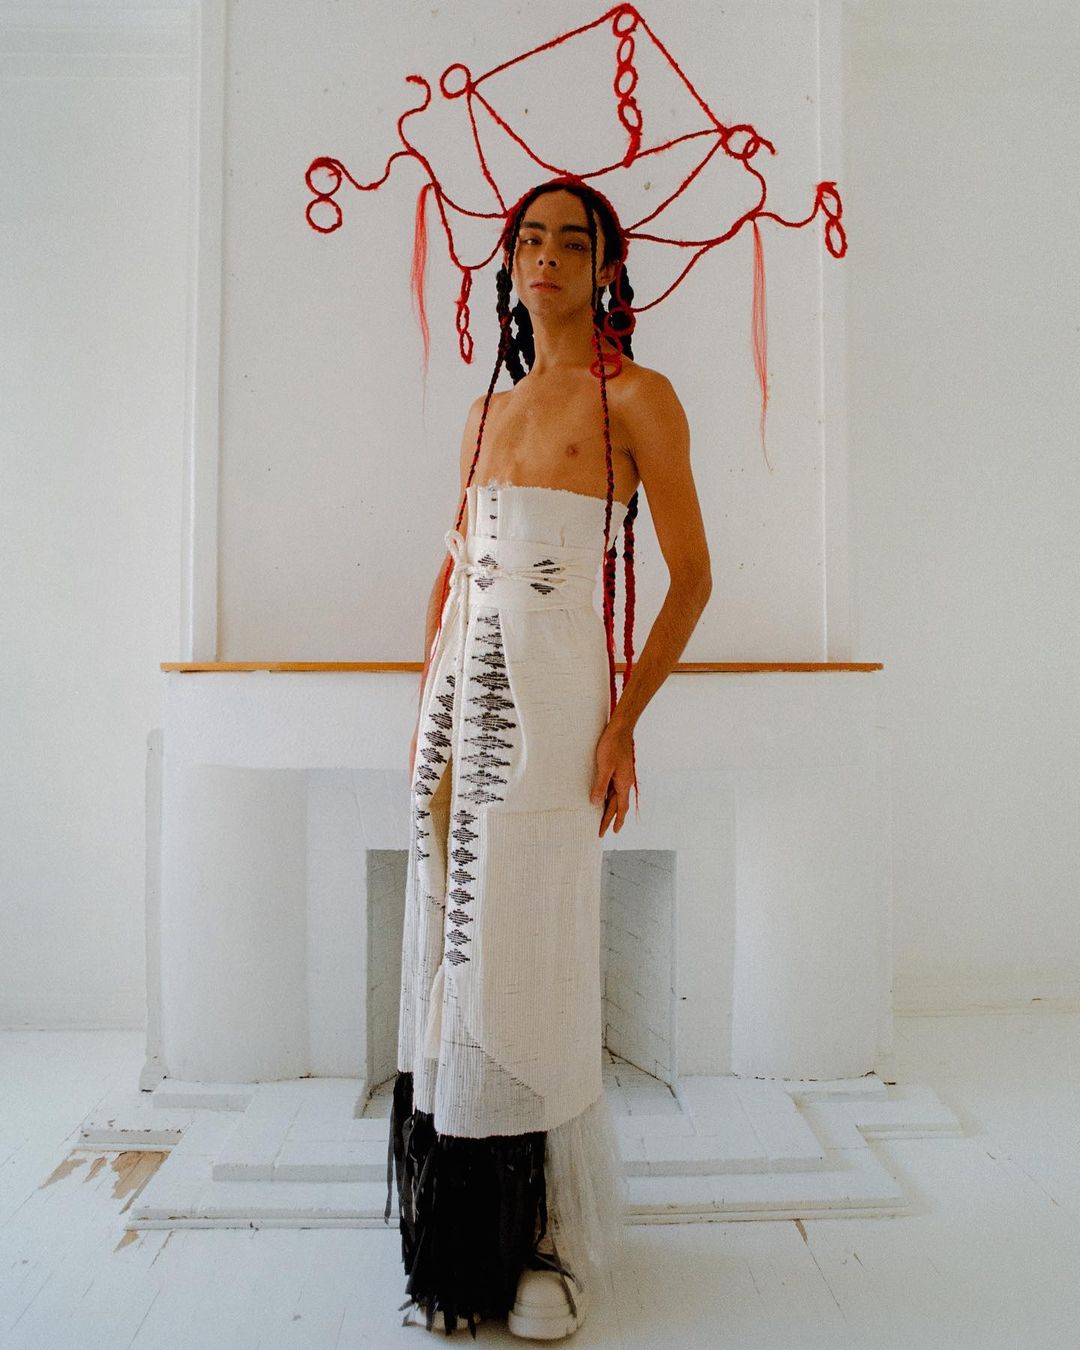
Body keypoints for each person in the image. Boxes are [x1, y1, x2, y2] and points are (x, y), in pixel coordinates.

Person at [388, 177, 712, 1340]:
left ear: (607, 267)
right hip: (455, 704)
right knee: (455, 943)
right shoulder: (487, 411)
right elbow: (453, 566)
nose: (548, 256)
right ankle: (460, 1246)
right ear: (510, 260)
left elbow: (693, 577)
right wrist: (421, 708)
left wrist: (624, 725)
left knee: (532, 947)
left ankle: (545, 1239)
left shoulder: (639, 399)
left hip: (558, 696)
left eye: (573, 241)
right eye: (531, 238)